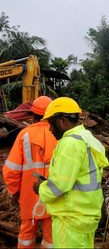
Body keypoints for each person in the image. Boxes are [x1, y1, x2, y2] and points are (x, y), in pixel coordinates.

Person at [33, 97, 109, 248]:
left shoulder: (69, 144)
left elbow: (59, 187)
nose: (50, 129)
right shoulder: (87, 138)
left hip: (70, 218)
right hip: (86, 216)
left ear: (62, 120)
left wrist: (41, 187)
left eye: (51, 124)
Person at [3, 96, 57, 248]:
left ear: (33, 115)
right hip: (53, 194)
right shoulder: (58, 135)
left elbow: (11, 169)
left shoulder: (24, 135)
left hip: (28, 194)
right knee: (51, 235)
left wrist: (14, 191)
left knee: (26, 233)